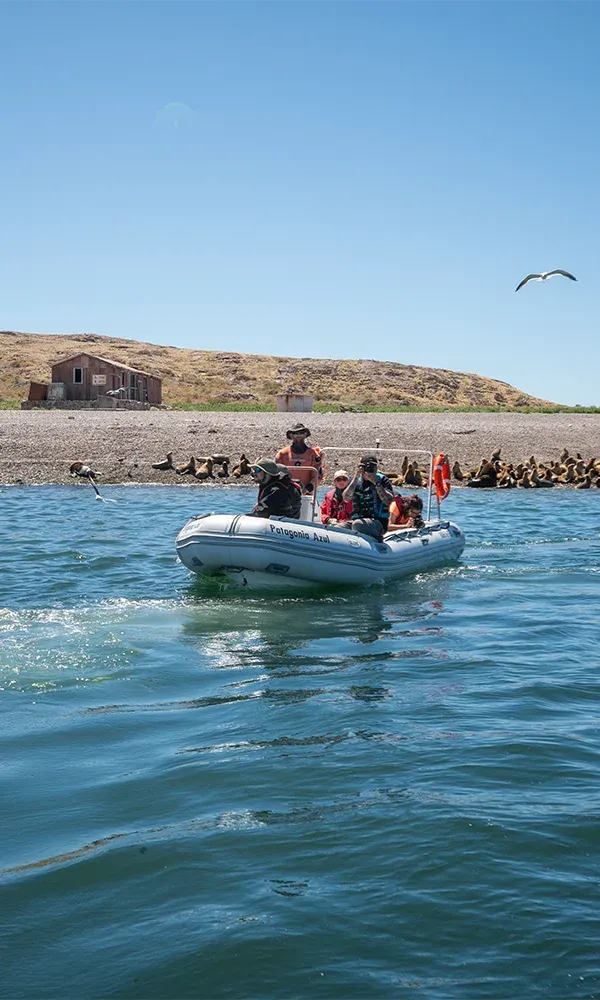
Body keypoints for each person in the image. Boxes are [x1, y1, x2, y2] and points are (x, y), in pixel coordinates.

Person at [343, 454, 394, 540]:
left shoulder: (382, 480)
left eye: (372, 466)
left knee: (358, 524)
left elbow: (388, 501)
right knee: (337, 527)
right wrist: (356, 478)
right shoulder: (355, 481)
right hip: (357, 520)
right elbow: (346, 499)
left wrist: (376, 483)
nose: (369, 469)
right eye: (366, 466)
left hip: (378, 522)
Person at [275, 423, 324, 494]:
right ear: (291, 435)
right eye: (295, 433)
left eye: (301, 433)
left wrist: (307, 489)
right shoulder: (282, 454)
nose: (298, 435)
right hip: (286, 493)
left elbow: (318, 476)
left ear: (305, 434)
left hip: (306, 494)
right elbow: (276, 474)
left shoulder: (313, 454)